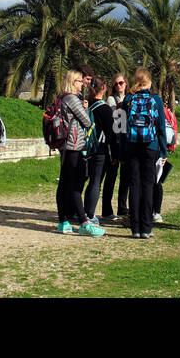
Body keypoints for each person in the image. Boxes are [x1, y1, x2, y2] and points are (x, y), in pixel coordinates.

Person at [54, 69, 104, 237]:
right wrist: (86, 108)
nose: (82, 84)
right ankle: (84, 222)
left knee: (64, 184)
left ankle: (63, 221)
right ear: (72, 82)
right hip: (74, 146)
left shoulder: (61, 98)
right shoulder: (72, 99)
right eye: (79, 81)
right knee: (75, 184)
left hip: (65, 146)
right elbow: (87, 121)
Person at [120, 68, 168, 239]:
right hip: (151, 146)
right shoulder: (156, 100)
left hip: (131, 146)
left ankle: (135, 228)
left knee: (134, 186)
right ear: (149, 81)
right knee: (148, 186)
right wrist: (163, 150)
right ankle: (147, 228)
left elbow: (120, 126)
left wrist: (122, 149)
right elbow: (161, 126)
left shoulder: (128, 99)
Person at [82, 76, 116, 224]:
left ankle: (83, 211)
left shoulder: (87, 105)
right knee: (96, 182)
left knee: (88, 181)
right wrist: (115, 153)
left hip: (86, 148)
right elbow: (111, 133)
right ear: (104, 88)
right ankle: (90, 214)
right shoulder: (105, 108)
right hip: (100, 149)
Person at [101, 73, 130, 223]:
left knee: (125, 177)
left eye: (121, 83)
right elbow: (113, 117)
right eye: (116, 84)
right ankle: (107, 209)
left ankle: (122, 206)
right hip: (114, 140)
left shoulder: (130, 97)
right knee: (111, 175)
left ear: (126, 83)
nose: (119, 86)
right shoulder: (112, 99)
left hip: (126, 140)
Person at [152, 101, 178, 223]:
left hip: (153, 147)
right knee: (156, 180)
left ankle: (154, 212)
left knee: (153, 181)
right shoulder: (159, 105)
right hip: (158, 148)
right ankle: (155, 212)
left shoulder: (155, 106)